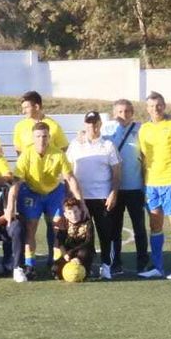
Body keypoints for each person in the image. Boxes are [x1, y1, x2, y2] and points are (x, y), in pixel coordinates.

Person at [10, 121, 84, 282]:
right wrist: (10, 206)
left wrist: (80, 201)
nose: (42, 139)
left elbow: (70, 178)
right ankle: (30, 265)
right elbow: (15, 183)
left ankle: (55, 261)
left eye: (45, 136)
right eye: (38, 136)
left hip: (54, 192)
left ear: (49, 137)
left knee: (57, 226)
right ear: (33, 137)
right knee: (30, 227)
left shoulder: (58, 154)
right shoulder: (26, 154)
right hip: (31, 192)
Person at [137, 91, 171, 280]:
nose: (155, 109)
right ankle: (157, 266)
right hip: (151, 184)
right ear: (147, 109)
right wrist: (143, 183)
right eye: (151, 106)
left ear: (164, 105)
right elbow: (144, 158)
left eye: (158, 105)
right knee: (155, 223)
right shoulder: (144, 129)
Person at [66, 111, 121, 280]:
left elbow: (117, 174)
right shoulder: (75, 144)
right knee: (83, 237)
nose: (93, 126)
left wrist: (113, 193)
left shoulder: (108, 146)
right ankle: (84, 266)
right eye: (89, 123)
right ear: (85, 125)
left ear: (100, 124)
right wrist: (69, 196)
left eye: (95, 123)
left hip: (102, 197)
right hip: (81, 199)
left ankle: (106, 266)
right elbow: (67, 171)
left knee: (106, 234)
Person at [105, 99, 148, 274]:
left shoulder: (141, 129)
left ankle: (142, 262)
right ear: (114, 113)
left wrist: (146, 185)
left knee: (139, 227)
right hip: (114, 189)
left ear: (132, 112)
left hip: (135, 187)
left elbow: (146, 157)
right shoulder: (106, 129)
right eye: (120, 111)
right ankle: (116, 264)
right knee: (115, 228)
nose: (124, 115)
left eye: (128, 111)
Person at [12, 91, 67, 157]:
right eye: (23, 108)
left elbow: (63, 148)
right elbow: (18, 151)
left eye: (26, 108)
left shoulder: (54, 126)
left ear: (36, 107)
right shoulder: (19, 126)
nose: (23, 112)